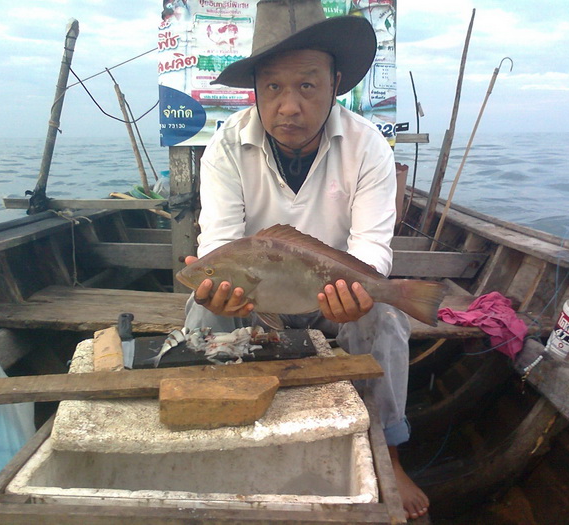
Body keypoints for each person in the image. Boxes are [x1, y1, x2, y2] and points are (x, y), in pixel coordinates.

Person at [183, 0, 429, 519]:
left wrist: (357, 293)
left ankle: (389, 448)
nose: (289, 106)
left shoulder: (368, 147)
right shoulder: (225, 146)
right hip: (255, 298)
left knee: (385, 315)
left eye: (307, 85)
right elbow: (217, 242)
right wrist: (216, 285)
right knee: (202, 313)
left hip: (333, 294)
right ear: (254, 90)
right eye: (272, 87)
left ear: (336, 82)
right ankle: (215, 433)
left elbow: (371, 251)